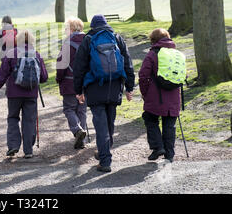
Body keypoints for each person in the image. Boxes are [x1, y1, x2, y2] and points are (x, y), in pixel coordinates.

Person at [73, 14, 135, 173]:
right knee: (110, 123)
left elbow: (79, 67)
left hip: (94, 86)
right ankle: (103, 152)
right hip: (114, 86)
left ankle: (105, 160)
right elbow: (127, 62)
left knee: (100, 124)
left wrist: (78, 90)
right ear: (106, 24)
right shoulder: (116, 37)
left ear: (92, 26)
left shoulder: (88, 39)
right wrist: (129, 87)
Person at [0, 30, 48, 159]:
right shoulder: (36, 54)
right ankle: (28, 150)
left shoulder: (11, 53)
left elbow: (2, 75)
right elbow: (44, 77)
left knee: (13, 118)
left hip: (14, 94)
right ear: (32, 40)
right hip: (31, 94)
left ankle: (13, 145)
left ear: (18, 40)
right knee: (29, 120)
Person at [139, 28, 181, 162]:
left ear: (153, 40)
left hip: (156, 95)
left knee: (150, 118)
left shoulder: (152, 54)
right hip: (174, 95)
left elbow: (143, 75)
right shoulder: (176, 54)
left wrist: (145, 93)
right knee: (169, 124)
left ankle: (157, 147)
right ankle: (169, 154)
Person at [56, 17, 89, 149]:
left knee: (69, 108)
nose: (65, 31)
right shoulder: (89, 41)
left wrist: (59, 78)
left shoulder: (67, 43)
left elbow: (61, 65)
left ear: (71, 29)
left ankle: (77, 130)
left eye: (66, 28)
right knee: (82, 110)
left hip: (70, 82)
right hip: (86, 82)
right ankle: (81, 137)